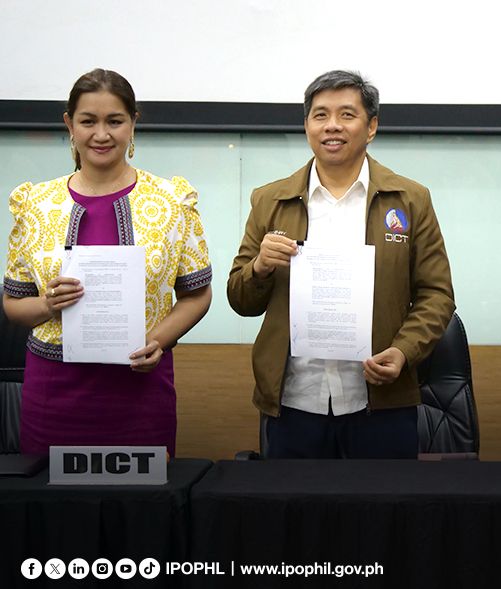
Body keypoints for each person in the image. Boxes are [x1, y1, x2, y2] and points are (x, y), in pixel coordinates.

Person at [227, 70, 454, 459]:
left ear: (371, 127)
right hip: (294, 400)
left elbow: (437, 294)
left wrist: (403, 351)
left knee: (383, 500)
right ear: (307, 126)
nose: (332, 125)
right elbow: (241, 300)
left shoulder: (410, 199)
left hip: (381, 400)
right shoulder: (270, 200)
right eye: (320, 115)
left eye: (347, 114)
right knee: (295, 501)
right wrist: (260, 267)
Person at [2, 69, 212, 456]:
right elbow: (13, 303)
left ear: (133, 123)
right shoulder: (35, 204)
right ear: (69, 125)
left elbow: (197, 295)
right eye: (88, 121)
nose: (101, 134)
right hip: (53, 394)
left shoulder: (171, 201)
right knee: (49, 493)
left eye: (115, 121)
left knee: (143, 495)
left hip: (141, 389)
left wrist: (158, 341)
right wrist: (48, 305)